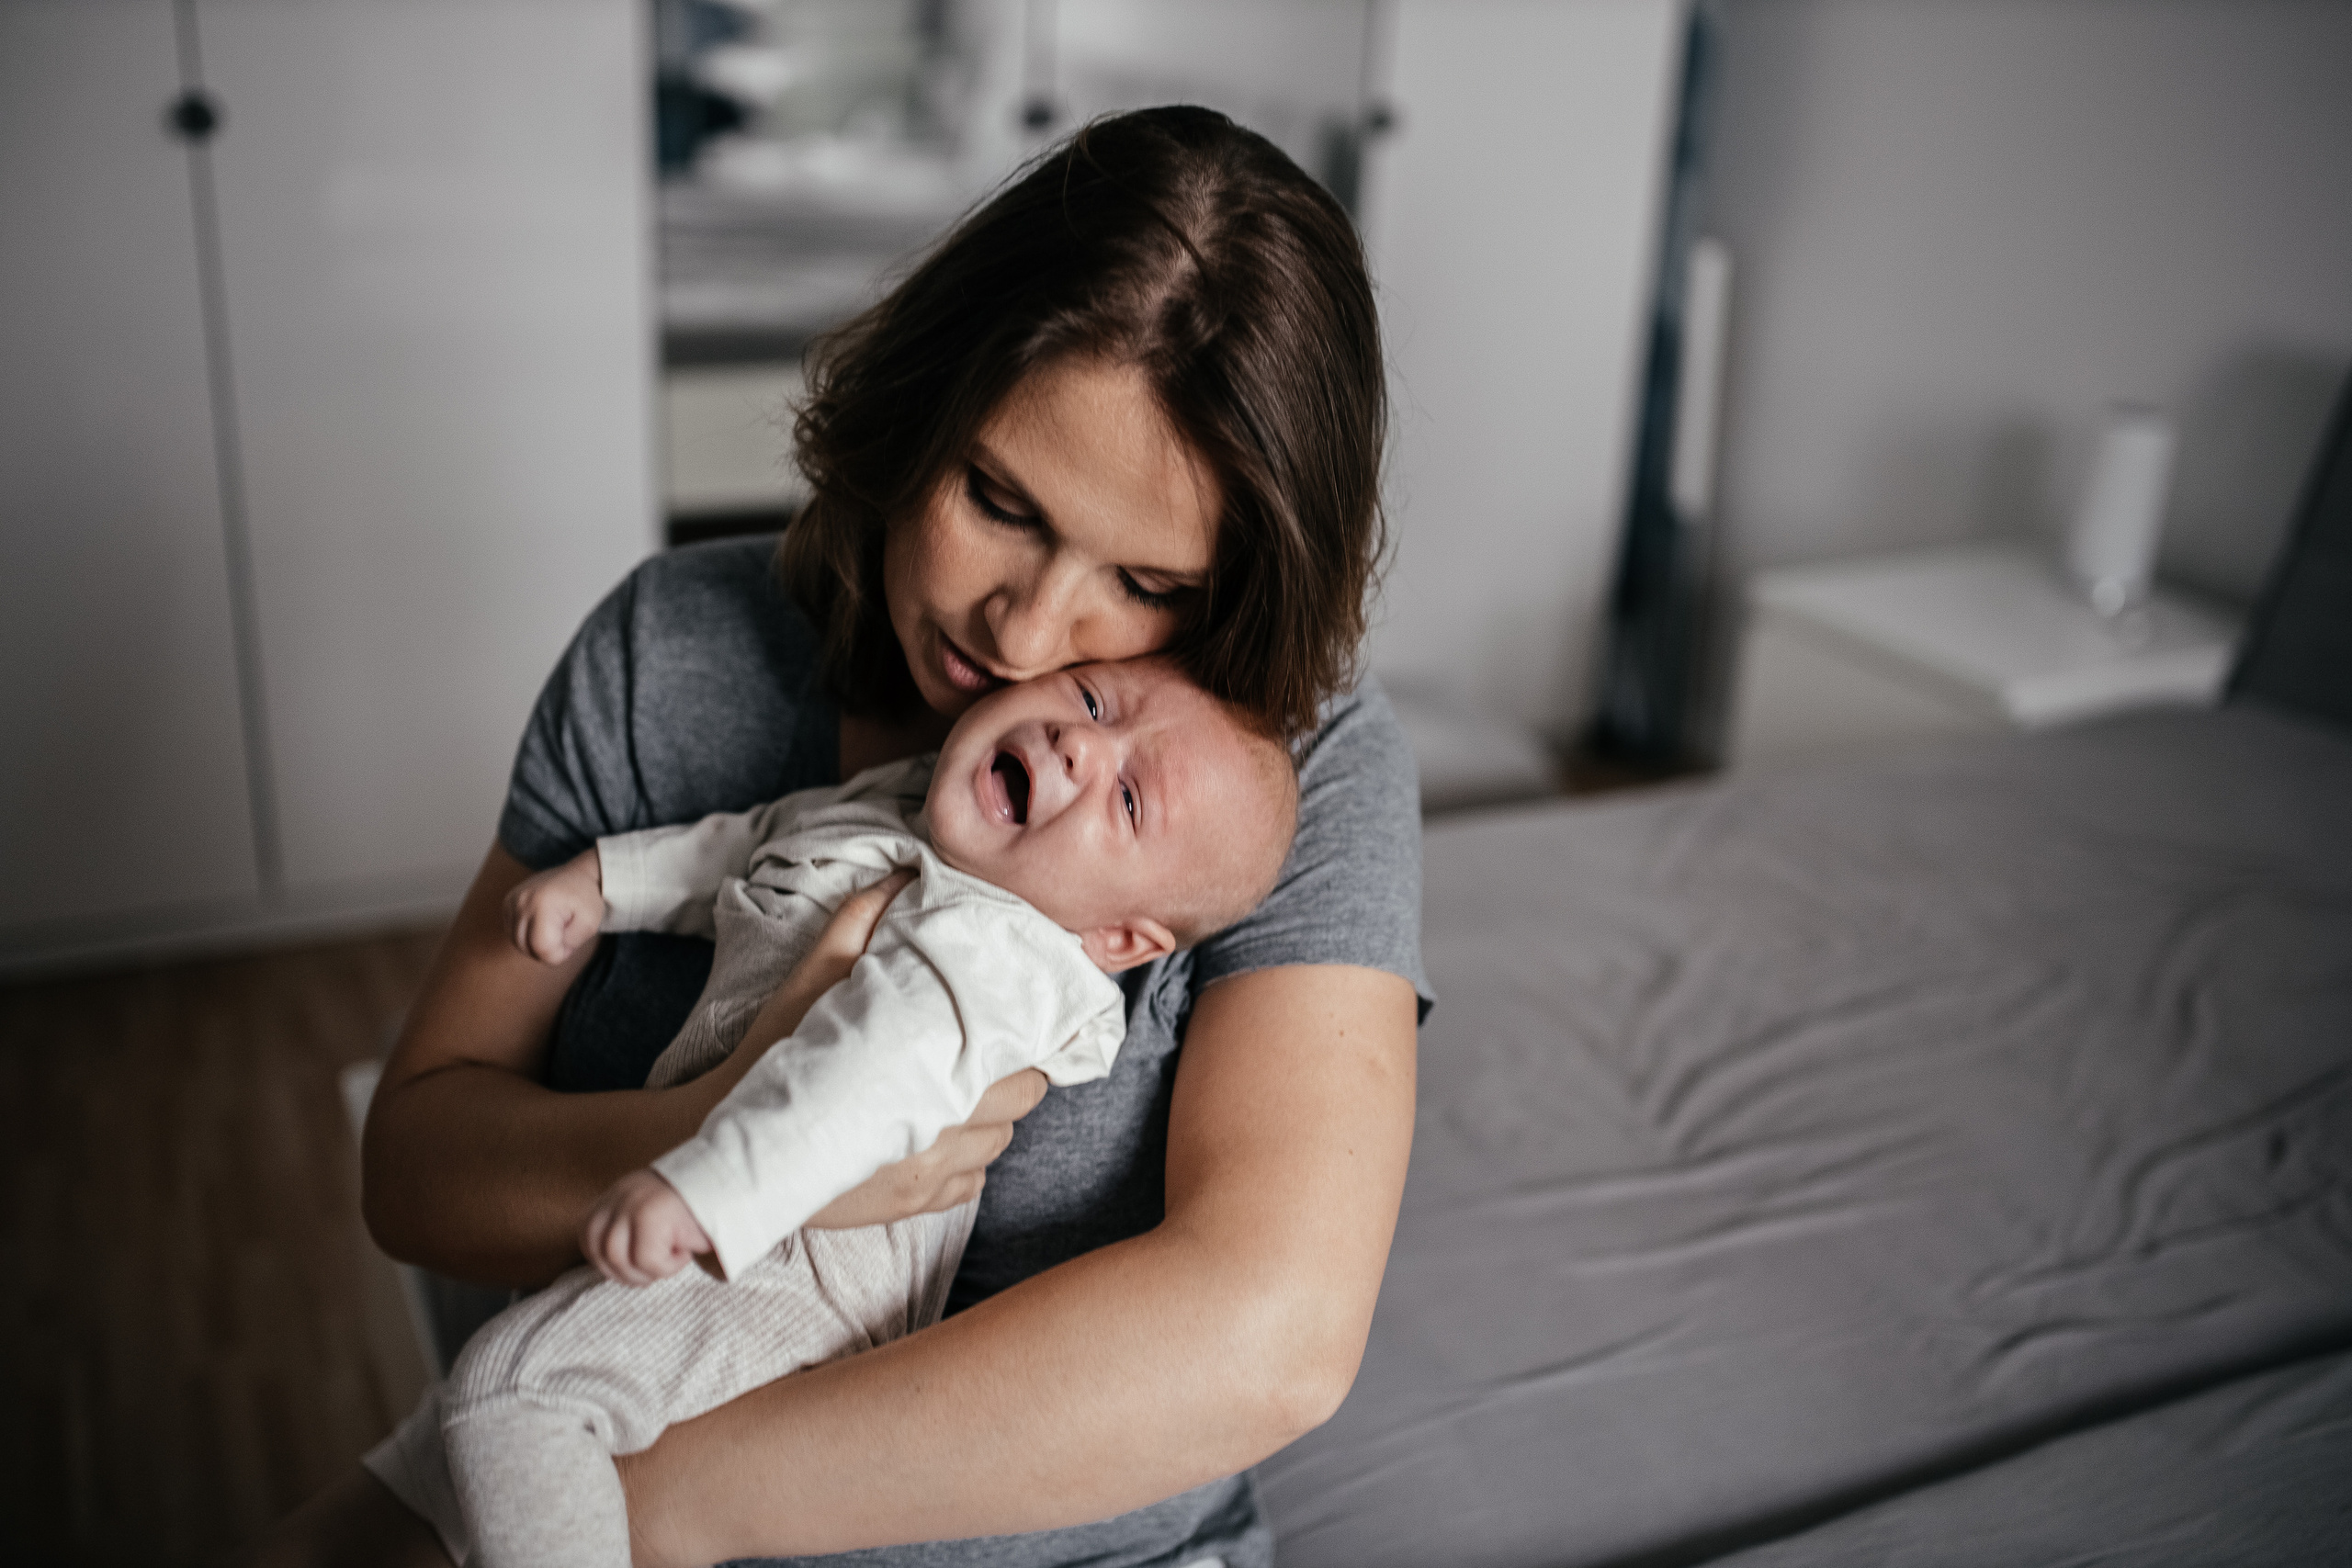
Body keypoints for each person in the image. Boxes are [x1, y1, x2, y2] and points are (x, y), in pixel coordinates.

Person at [254, 104, 1428, 1568]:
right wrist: (727, 1123)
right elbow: (414, 1165)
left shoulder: (1276, 776)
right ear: (917, 405)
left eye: (1145, 583)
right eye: (1000, 500)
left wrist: (656, 1508)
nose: (1028, 632)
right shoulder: (668, 654)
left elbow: (1274, 1332)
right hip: (548, 1456)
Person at [376, 659, 1298, 1568]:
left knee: (512, 1392)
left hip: (803, 1267)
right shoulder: (900, 804)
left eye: (1131, 801)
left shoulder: (1000, 955)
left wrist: (705, 1190)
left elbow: (862, 1081)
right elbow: (751, 843)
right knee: (469, 1445)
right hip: (730, 1211)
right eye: (1093, 700)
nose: (1078, 745)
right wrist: (604, 884)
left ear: (1118, 939)